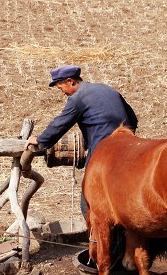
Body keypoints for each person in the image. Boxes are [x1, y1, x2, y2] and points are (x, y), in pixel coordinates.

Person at [26, 65, 138, 216]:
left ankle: (95, 237)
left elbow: (60, 124)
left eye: (61, 88)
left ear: (70, 81)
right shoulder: (107, 89)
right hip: (130, 148)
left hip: (103, 151)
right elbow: (133, 119)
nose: (63, 93)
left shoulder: (78, 98)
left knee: (88, 200)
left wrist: (40, 140)